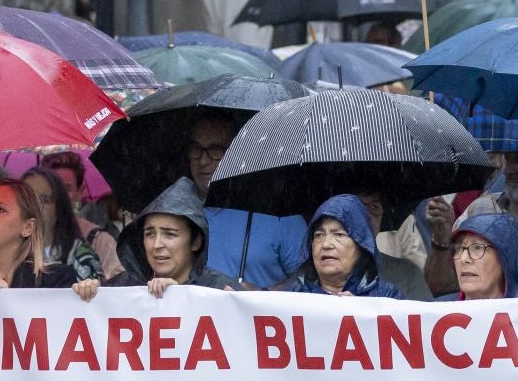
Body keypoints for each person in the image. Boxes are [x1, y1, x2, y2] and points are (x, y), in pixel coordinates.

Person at [427, 141, 518, 296]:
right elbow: (440, 288)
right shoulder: (480, 209)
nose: (508, 169)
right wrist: (441, 239)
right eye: (507, 158)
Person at [182, 114, 308, 288]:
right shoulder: (176, 215)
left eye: (216, 150)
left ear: (238, 154)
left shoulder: (280, 215)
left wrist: (263, 294)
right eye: (196, 149)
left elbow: (309, 279)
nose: (203, 160)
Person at [110, 179, 243, 294]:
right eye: (149, 234)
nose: (157, 245)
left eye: (169, 234)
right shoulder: (123, 287)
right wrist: (91, 295)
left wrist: (178, 295)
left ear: (196, 241)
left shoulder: (221, 289)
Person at [282, 195, 402, 298]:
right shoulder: (291, 295)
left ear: (361, 245)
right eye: (318, 235)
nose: (326, 244)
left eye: (339, 234)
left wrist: (362, 314)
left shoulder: (387, 296)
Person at [22, 166, 109, 282]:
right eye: (27, 199)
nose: (36, 207)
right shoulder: (9, 255)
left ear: (59, 207)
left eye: (44, 200)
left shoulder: (82, 259)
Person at [354, 191, 433, 300]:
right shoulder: (325, 271)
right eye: (357, 207)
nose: (367, 216)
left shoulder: (407, 273)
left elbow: (424, 314)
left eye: (374, 207)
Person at [443, 214, 518, 301]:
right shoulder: (436, 312)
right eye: (459, 248)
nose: (463, 259)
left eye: (477, 248)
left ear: (506, 258)